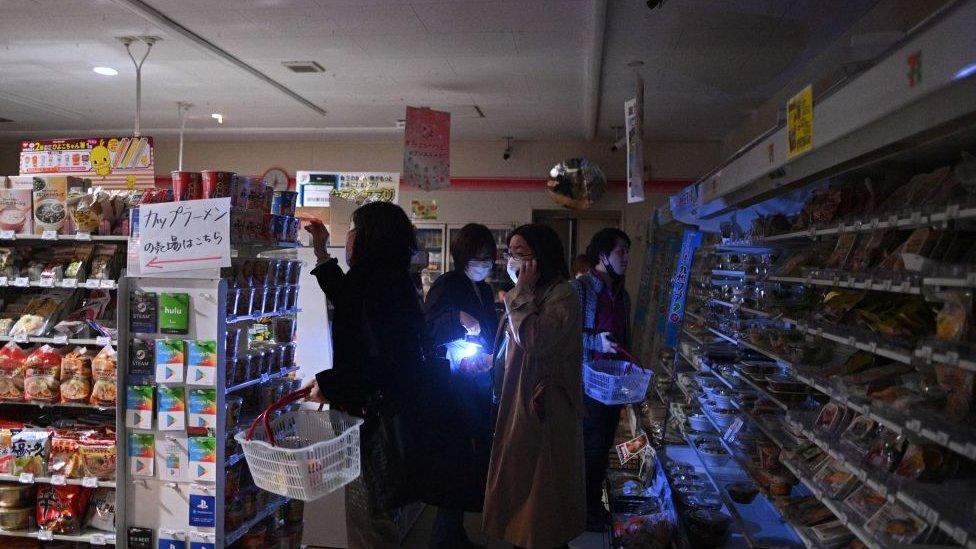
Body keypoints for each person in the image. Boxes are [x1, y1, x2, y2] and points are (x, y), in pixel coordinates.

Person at [304, 202, 441, 549]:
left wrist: (330, 384)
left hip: (374, 418)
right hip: (380, 411)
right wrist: (321, 252)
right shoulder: (384, 277)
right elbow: (348, 298)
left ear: (370, 236)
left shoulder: (380, 283)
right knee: (373, 514)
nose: (349, 237)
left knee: (369, 516)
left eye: (354, 228)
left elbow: (383, 362)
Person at [483, 224, 585, 549]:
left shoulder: (562, 294)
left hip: (544, 408)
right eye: (510, 253)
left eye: (521, 254)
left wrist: (520, 293)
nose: (513, 261)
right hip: (520, 401)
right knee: (521, 489)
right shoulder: (534, 292)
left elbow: (535, 339)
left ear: (541, 257)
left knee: (542, 499)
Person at [423, 223, 499, 549]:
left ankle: (453, 534)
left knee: (467, 464)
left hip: (478, 385)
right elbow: (428, 330)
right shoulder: (448, 284)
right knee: (454, 464)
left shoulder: (485, 290)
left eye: (488, 258)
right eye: (477, 258)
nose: (483, 264)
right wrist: (458, 320)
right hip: (451, 390)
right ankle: (445, 537)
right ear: (462, 257)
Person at [571, 228, 632, 531]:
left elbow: (625, 337)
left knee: (603, 444)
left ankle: (592, 505)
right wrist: (597, 343)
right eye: (621, 251)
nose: (626, 257)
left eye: (627, 251)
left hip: (615, 385)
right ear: (603, 255)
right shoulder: (580, 289)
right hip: (589, 384)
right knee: (591, 449)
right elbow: (564, 333)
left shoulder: (622, 293)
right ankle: (585, 510)